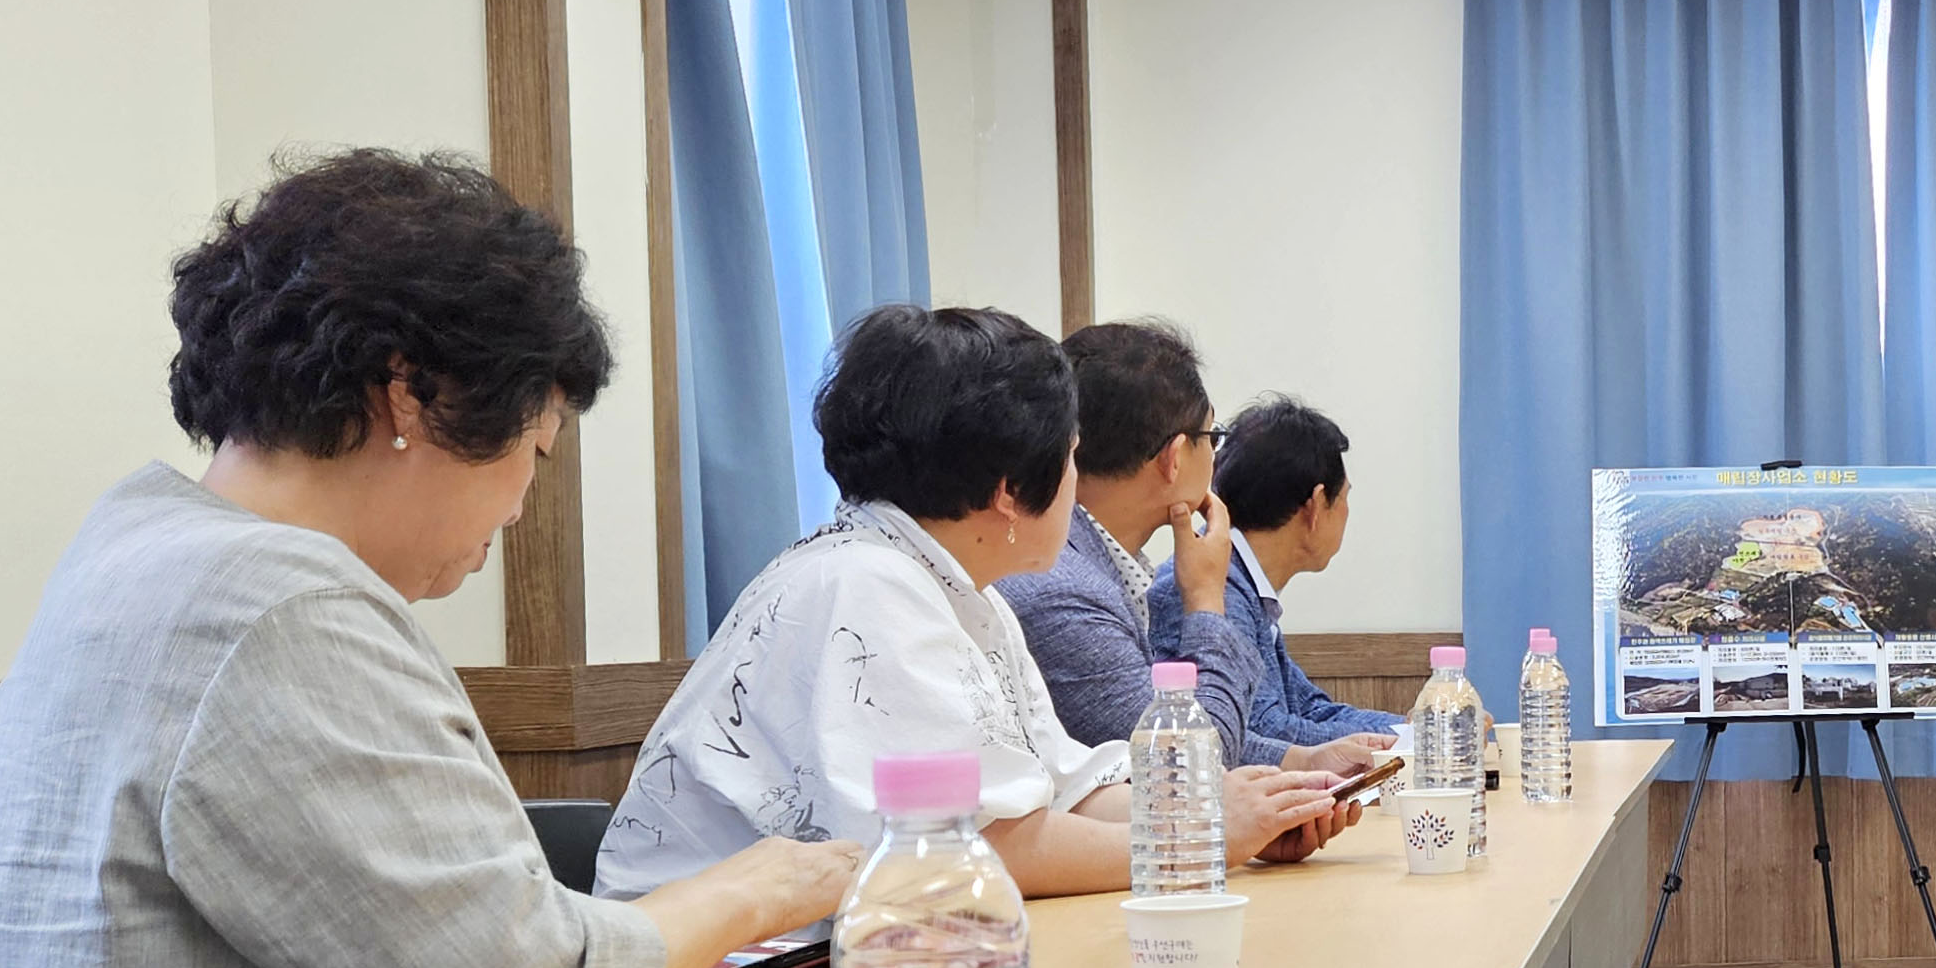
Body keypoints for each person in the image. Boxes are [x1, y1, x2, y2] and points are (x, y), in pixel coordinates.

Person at [0, 150, 856, 968]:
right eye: (535, 455)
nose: (517, 510)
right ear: (409, 393)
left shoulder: (142, 543)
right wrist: (764, 887)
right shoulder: (272, 601)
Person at [598, 306, 1362, 902]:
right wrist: (1198, 834)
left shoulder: (957, 592)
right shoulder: (867, 588)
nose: (1076, 480)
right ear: (1008, 491)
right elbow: (976, 844)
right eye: (1068, 458)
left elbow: (1063, 788)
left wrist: (1218, 808)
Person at [995, 322, 1387, 776]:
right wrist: (1205, 600)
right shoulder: (1063, 591)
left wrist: (1299, 758)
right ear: (1174, 457)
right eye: (1211, 438)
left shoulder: (1093, 565)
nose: (1216, 457)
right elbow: (1192, 760)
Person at [1149, 395, 1446, 762]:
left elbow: (1310, 708)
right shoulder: (1212, 586)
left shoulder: (1243, 582)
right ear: (1317, 505)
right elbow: (1266, 728)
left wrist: (1424, 727)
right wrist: (1424, 736)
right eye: (1345, 497)